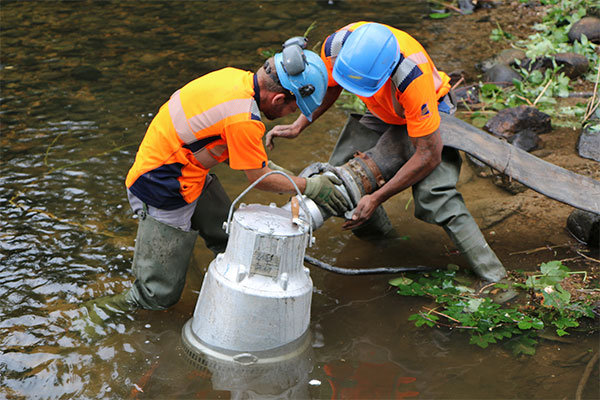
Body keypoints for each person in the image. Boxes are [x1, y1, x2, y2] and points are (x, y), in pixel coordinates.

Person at [92, 42, 349, 314]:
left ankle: (202, 277)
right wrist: (311, 186)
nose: (290, 116)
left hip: (187, 169)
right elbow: (259, 179)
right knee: (157, 296)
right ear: (278, 100)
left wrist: (277, 172)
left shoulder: (234, 78)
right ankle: (96, 313)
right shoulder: (244, 119)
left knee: (231, 239)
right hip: (162, 185)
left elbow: (234, 149)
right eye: (293, 109)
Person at [265, 22, 507, 283]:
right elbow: (333, 85)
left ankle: (495, 277)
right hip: (383, 109)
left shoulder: (413, 79)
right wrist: (300, 124)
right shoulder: (337, 46)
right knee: (340, 184)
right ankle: (386, 245)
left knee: (435, 196)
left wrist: (378, 197)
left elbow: (429, 155)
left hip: (430, 111)